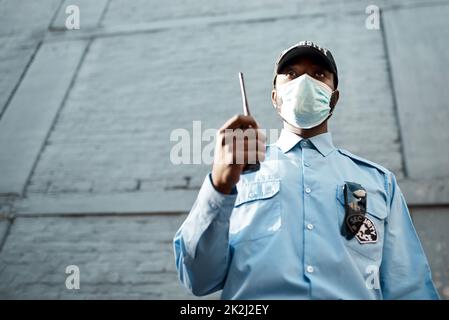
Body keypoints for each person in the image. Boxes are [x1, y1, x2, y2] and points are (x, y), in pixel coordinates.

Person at [173, 40, 440, 299]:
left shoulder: (379, 182)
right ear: (275, 98)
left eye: (319, 74)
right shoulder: (235, 174)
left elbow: (410, 286)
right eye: (291, 73)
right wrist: (219, 188)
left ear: (333, 99)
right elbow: (199, 280)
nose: (304, 82)